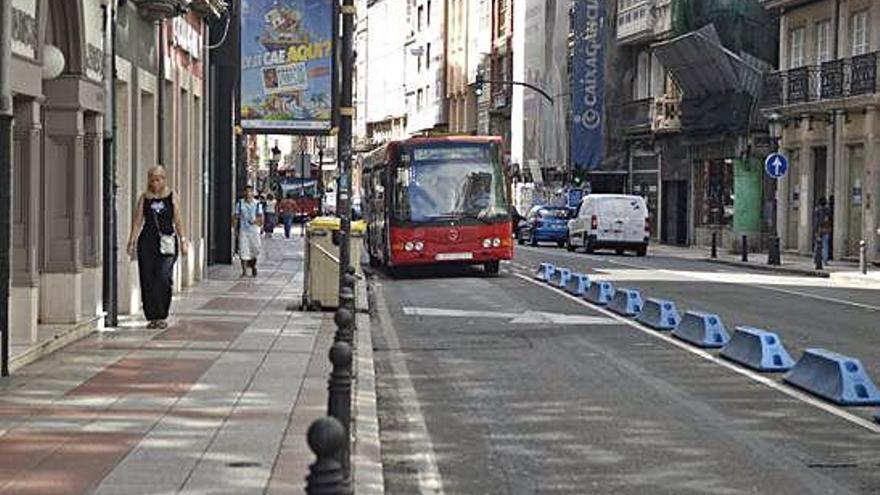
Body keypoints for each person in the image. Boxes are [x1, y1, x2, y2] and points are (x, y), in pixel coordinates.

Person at [126, 165, 188, 329]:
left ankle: (162, 314)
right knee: (147, 278)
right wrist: (132, 241)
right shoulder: (144, 198)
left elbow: (178, 219)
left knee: (163, 277)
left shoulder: (172, 196)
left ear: (164, 179)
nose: (155, 182)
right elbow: (138, 221)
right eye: (152, 179)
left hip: (167, 242)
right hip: (147, 242)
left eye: (158, 179)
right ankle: (152, 316)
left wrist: (183, 241)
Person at [234, 185, 264, 277]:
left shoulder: (257, 204)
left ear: (252, 193)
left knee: (255, 250)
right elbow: (236, 217)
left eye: (250, 192)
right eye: (246, 192)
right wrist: (235, 229)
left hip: (254, 231)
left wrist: (255, 221)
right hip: (244, 231)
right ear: (244, 193)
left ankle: (253, 266)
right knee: (243, 250)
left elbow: (260, 218)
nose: (248, 194)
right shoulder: (240, 203)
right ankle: (244, 271)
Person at [814, 197, 833, 265]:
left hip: (819, 229)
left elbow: (816, 221)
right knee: (825, 245)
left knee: (817, 245)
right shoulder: (828, 210)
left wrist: (816, 230)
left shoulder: (817, 210)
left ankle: (816, 259)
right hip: (826, 229)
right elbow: (830, 218)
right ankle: (825, 260)